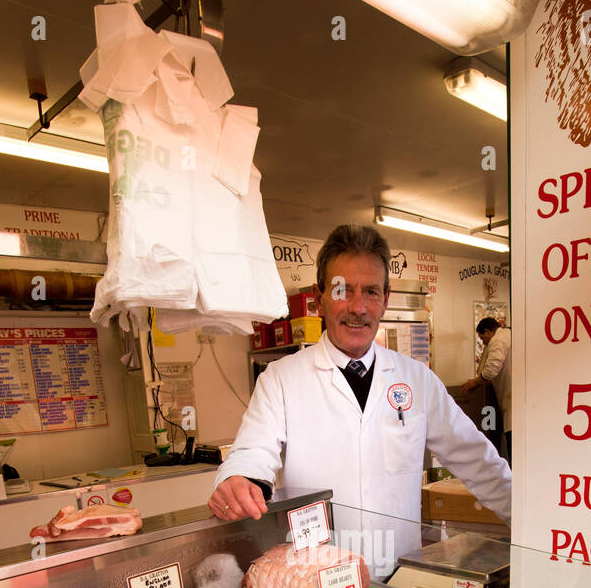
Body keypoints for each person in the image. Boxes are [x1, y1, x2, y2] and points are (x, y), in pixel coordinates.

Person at [208, 224, 511, 564]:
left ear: (385, 300)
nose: (358, 307)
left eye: (370, 291)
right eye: (342, 290)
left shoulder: (417, 380)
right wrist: (240, 478)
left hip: (401, 581)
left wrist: (535, 524)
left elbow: (478, 460)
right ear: (319, 297)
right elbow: (252, 452)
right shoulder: (280, 379)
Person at [475, 317, 512, 463]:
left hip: (511, 397)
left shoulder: (498, 340)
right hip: (511, 397)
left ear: (489, 331)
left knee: (511, 440)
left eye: (482, 337)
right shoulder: (507, 336)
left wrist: (475, 383)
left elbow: (490, 371)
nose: (483, 341)